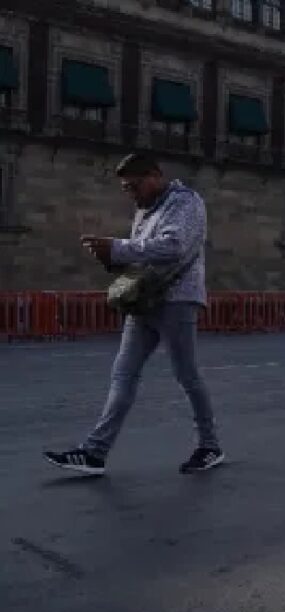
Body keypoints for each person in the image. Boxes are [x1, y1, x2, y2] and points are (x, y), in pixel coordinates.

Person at [44, 154, 222, 476]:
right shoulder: (145, 211)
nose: (132, 194)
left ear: (155, 175)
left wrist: (116, 248)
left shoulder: (186, 203)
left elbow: (174, 247)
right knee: (122, 375)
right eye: (127, 189)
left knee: (187, 375)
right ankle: (94, 453)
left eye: (135, 186)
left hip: (177, 301)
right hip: (144, 301)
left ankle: (209, 446)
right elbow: (142, 253)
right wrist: (109, 257)